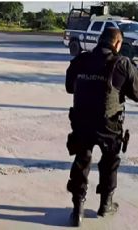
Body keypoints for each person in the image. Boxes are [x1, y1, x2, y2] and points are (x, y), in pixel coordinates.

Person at [65, 27, 138, 227]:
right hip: (109, 125)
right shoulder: (122, 64)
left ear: (100, 40)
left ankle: (77, 209)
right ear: (117, 44)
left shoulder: (81, 60)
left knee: (82, 159)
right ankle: (105, 204)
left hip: (81, 122)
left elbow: (69, 86)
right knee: (109, 163)